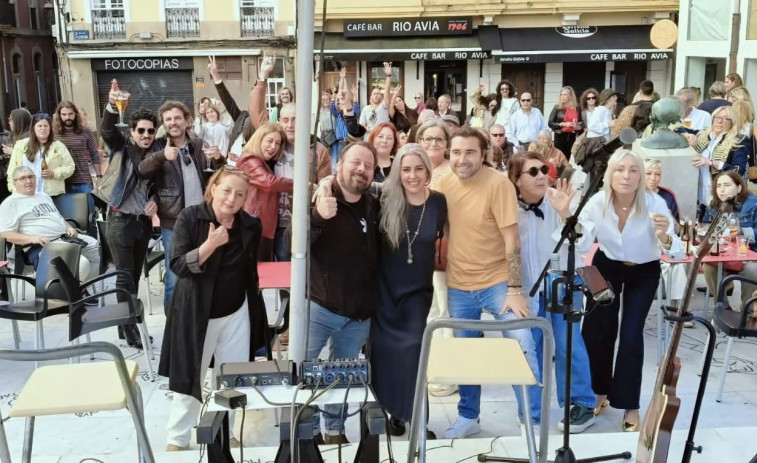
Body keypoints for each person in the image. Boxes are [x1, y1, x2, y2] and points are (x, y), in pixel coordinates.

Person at [438, 127, 540, 438]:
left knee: (523, 344)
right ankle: (469, 416)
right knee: (467, 354)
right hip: (458, 284)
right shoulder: (442, 183)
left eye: (470, 152)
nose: (462, 158)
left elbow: (512, 240)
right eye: (456, 152)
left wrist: (514, 289)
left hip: (498, 283)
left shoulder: (498, 184)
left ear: (484, 154)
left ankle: (531, 419)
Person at [160, 167, 265, 452]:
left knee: (232, 377)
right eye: (227, 190)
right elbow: (179, 265)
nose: (232, 198)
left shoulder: (249, 225)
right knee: (190, 376)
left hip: (235, 311)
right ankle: (178, 437)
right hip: (196, 311)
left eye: (240, 194)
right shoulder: (191, 218)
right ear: (214, 187)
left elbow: (251, 268)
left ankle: (226, 433)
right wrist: (211, 244)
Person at [579, 149, 682, 432]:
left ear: (641, 176)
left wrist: (664, 236)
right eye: (620, 169)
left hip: (644, 269)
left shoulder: (656, 203)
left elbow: (676, 249)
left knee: (631, 334)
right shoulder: (597, 202)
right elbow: (579, 241)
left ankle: (629, 404)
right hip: (606, 264)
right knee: (597, 329)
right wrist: (567, 215)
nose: (626, 175)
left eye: (633, 170)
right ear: (609, 174)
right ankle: (597, 392)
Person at [508, 153, 597, 433]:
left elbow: (583, 245)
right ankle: (530, 411)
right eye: (532, 171)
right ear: (516, 179)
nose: (541, 175)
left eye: (544, 169)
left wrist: (565, 214)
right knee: (526, 347)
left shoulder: (560, 200)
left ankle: (581, 405)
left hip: (562, 283)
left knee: (569, 343)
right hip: (524, 288)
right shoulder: (506, 206)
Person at [370, 144, 447, 437]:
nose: (412, 176)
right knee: (384, 353)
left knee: (414, 351)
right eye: (405, 169)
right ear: (397, 172)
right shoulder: (383, 198)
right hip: (384, 289)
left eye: (418, 169)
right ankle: (391, 413)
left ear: (427, 170)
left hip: (417, 292)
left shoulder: (439, 203)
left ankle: (416, 418)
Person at [308, 141, 380, 445]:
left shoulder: (374, 204)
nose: (361, 169)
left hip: (358, 314)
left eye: (368, 165)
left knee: (341, 377)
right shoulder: (319, 197)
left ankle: (334, 430)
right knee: (305, 375)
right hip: (319, 308)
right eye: (355, 163)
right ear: (340, 164)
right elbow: (291, 242)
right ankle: (307, 432)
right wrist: (317, 216)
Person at [138, 100, 225, 313]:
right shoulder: (158, 146)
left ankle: (200, 318)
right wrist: (162, 156)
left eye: (177, 118)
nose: (173, 123)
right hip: (173, 222)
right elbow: (142, 170)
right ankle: (173, 331)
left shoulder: (197, 144)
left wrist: (218, 160)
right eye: (168, 119)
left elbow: (217, 176)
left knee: (205, 271)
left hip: (203, 219)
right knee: (175, 277)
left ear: (187, 121)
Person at [99, 81, 159, 349]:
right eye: (141, 131)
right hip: (120, 221)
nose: (146, 135)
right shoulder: (122, 147)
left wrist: (155, 200)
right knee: (124, 276)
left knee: (134, 276)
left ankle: (126, 328)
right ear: (133, 132)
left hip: (142, 224)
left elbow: (156, 187)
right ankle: (132, 329)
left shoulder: (157, 153)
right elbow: (107, 130)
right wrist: (112, 105)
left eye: (150, 131)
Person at [415, 119, 456, 397]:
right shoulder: (413, 169)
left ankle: (446, 374)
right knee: (426, 313)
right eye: (427, 139)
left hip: (444, 253)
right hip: (414, 254)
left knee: (443, 311)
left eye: (438, 139)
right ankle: (426, 366)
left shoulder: (453, 171)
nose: (432, 143)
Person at [0, 166, 100, 280]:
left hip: (66, 237)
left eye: (30, 177)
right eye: (22, 178)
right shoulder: (10, 203)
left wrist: (68, 227)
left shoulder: (43, 196)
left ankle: (79, 290)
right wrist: (32, 239)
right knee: (81, 265)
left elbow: (57, 217)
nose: (28, 181)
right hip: (42, 246)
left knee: (98, 250)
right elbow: (5, 234)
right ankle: (68, 294)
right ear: (15, 183)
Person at [235, 123, 291, 261]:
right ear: (259, 139)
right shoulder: (250, 159)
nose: (273, 147)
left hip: (261, 226)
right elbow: (269, 183)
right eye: (269, 141)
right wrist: (302, 186)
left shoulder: (260, 161)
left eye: (277, 143)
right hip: (254, 225)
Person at [702, 171, 757, 307]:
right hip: (723, 254)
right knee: (708, 266)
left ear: (739, 188)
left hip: (749, 255)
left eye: (727, 185)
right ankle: (722, 307)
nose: (722, 189)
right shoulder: (714, 205)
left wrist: (741, 232)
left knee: (752, 269)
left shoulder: (752, 203)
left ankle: (749, 312)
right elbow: (705, 225)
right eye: (718, 185)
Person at [53, 101, 102, 235]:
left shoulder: (85, 131)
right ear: (59, 115)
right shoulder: (54, 133)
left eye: (70, 114)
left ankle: (93, 246)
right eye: (64, 114)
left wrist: (99, 177)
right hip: (63, 182)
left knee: (89, 217)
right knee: (67, 218)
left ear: (75, 114)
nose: (67, 117)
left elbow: (95, 155)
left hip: (84, 180)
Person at [691, 105, 749, 217]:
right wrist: (687, 134)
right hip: (700, 194)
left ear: (733, 122)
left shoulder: (739, 140)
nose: (719, 121)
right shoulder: (705, 136)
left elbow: (738, 169)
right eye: (717, 117)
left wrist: (711, 162)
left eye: (725, 118)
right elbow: (683, 129)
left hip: (722, 196)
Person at [7, 113, 74, 197]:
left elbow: (70, 166)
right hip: (25, 195)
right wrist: (15, 190)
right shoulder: (21, 145)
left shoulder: (58, 146)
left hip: (51, 195)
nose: (43, 129)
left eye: (46, 126)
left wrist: (54, 173)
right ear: (33, 128)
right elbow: (12, 171)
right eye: (39, 126)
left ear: (50, 128)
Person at [207, 56, 252, 165]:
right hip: (228, 167)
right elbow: (228, 101)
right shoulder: (243, 116)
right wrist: (215, 76)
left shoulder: (262, 126)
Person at [1, 109, 32, 203]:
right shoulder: (17, 136)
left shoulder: (28, 138)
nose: (9, 122)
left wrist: (12, 152)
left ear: (18, 121)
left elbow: (31, 158)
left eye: (10, 119)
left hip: (26, 181)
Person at [548, 86, 581, 158]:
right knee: (559, 158)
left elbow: (581, 123)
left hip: (571, 136)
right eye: (561, 95)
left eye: (565, 95)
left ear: (570, 96)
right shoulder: (557, 107)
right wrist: (563, 124)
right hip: (560, 135)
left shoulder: (577, 108)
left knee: (567, 157)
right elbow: (550, 123)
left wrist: (578, 127)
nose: (562, 97)